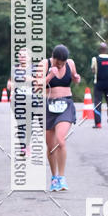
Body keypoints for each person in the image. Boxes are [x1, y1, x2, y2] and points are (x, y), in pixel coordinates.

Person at [37, 44, 81, 192]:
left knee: (60, 140)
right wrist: (50, 75)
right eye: (57, 63)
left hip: (65, 105)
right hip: (48, 106)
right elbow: (36, 87)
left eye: (63, 63)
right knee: (51, 146)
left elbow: (75, 78)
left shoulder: (70, 63)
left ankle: (62, 177)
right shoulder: (44, 64)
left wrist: (76, 78)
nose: (60, 65)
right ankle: (54, 177)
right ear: (53, 57)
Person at [91, 42, 108, 128]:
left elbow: (93, 70)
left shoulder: (95, 59)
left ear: (99, 50)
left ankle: (98, 123)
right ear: (107, 50)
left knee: (97, 103)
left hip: (99, 83)